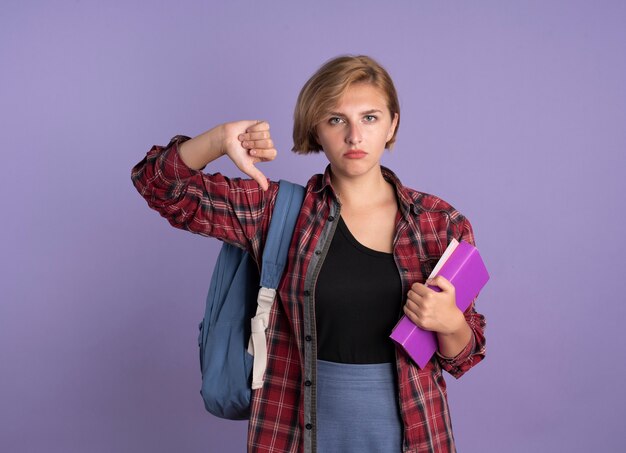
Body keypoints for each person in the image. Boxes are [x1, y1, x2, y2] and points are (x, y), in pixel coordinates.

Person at [132, 55, 486, 453]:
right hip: (297, 434)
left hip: (414, 434)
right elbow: (158, 185)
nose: (354, 136)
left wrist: (451, 323)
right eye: (336, 119)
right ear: (315, 129)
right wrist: (217, 139)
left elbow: (463, 357)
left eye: (369, 117)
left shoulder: (439, 223)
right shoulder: (278, 211)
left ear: (393, 124)